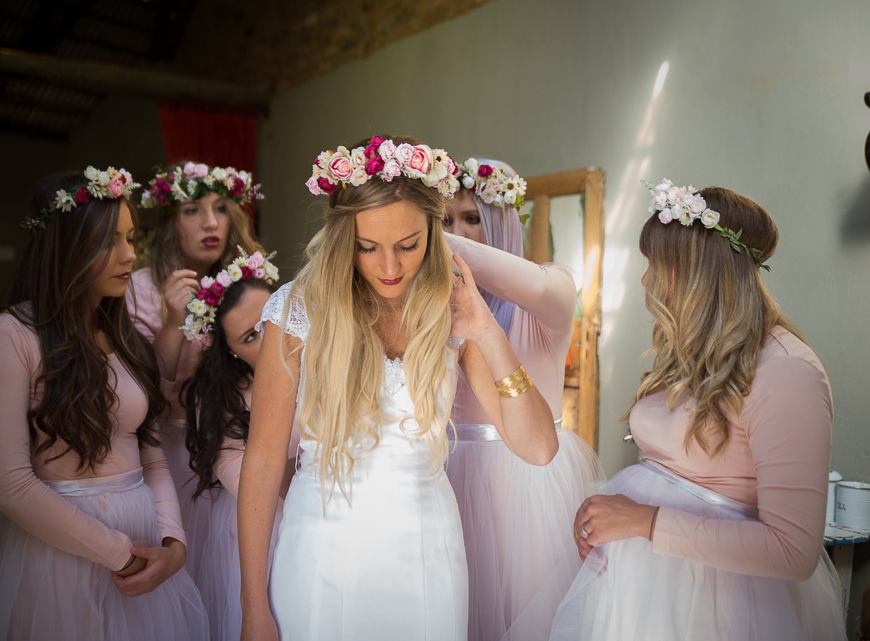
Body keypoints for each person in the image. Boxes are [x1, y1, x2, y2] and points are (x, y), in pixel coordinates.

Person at [237, 136, 560, 641]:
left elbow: (539, 448)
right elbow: (261, 461)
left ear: (433, 231)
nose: (390, 268)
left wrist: (485, 331)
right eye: (368, 247)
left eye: (408, 245)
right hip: (319, 551)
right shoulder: (298, 309)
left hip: (428, 557)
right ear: (344, 239)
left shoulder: (451, 310)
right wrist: (253, 607)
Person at [550, 180, 847, 641]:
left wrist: (642, 520)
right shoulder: (695, 351)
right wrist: (606, 515)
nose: (645, 280)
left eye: (655, 264)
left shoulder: (788, 372)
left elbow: (792, 550)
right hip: (642, 585)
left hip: (714, 603)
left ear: (697, 270)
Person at [0, 167, 209, 641]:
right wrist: (119, 555)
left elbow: (151, 457)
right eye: (109, 242)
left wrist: (173, 544)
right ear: (65, 245)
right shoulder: (9, 336)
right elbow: (8, 486)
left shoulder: (125, 337)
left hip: (144, 549)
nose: (129, 255)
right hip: (57, 553)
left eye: (131, 238)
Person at [443, 158, 605, 641]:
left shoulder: (553, 286)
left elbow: (530, 284)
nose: (457, 233)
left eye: (472, 218)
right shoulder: (433, 306)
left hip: (528, 479)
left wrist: (418, 235)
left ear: (504, 220)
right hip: (447, 472)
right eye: (443, 220)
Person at [129, 161, 264, 523]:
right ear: (171, 223)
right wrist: (175, 321)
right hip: (168, 453)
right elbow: (143, 391)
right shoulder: (140, 289)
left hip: (239, 445)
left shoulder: (247, 287)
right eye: (192, 210)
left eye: (221, 208)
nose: (211, 223)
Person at [179, 250, 299, 641]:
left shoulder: (327, 362)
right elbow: (237, 468)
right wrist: (299, 480)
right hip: (269, 526)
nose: (268, 338)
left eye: (270, 321)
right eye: (250, 337)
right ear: (231, 351)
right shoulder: (227, 398)